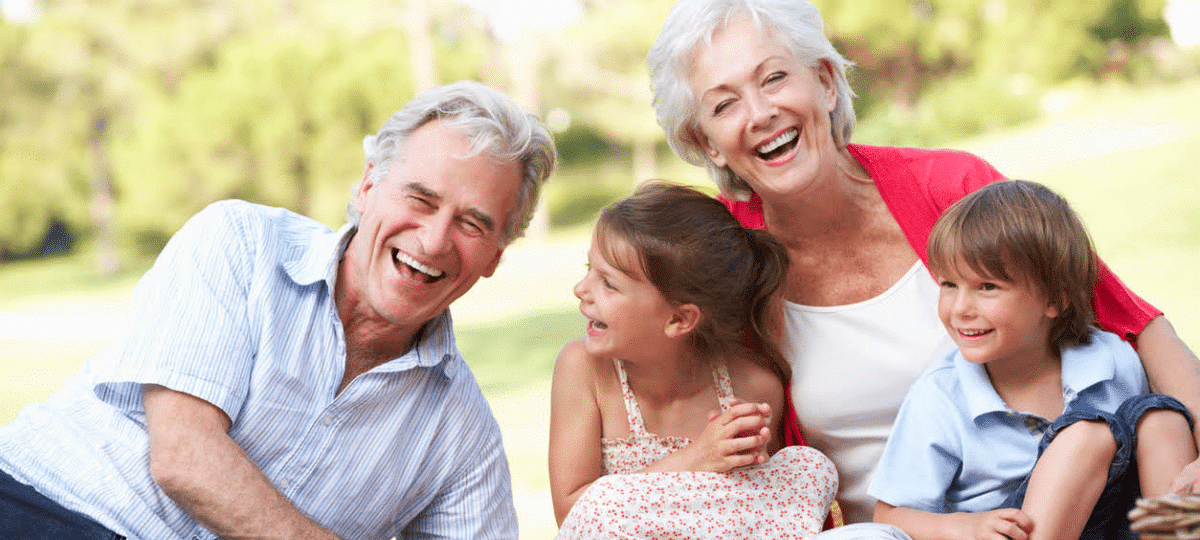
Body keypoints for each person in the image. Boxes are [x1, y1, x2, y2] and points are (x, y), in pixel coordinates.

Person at [646, 0, 1200, 524]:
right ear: (707, 142)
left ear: (824, 81)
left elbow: (1135, 324)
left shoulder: (953, 190)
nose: (761, 113)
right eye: (724, 104)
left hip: (1076, 502)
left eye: (774, 78)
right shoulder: (717, 261)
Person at [0, 80, 556, 540]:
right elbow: (183, 455)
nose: (434, 241)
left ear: (495, 257)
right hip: (47, 509)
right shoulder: (240, 244)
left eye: (472, 223)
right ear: (367, 186)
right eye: (421, 199)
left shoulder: (462, 433)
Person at [868, 180, 1198, 539]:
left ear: (1053, 300)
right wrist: (962, 527)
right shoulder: (941, 396)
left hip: (1119, 525)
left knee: (1161, 417)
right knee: (1086, 435)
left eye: (987, 287)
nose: (960, 308)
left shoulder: (1111, 359)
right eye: (948, 284)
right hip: (1015, 529)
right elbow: (889, 516)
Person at [548, 182, 844, 538]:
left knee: (807, 468)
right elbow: (575, 514)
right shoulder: (583, 369)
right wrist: (695, 460)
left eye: (608, 284)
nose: (581, 289)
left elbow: (755, 513)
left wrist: (745, 465)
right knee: (599, 504)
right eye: (589, 269)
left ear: (679, 320)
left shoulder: (751, 387)